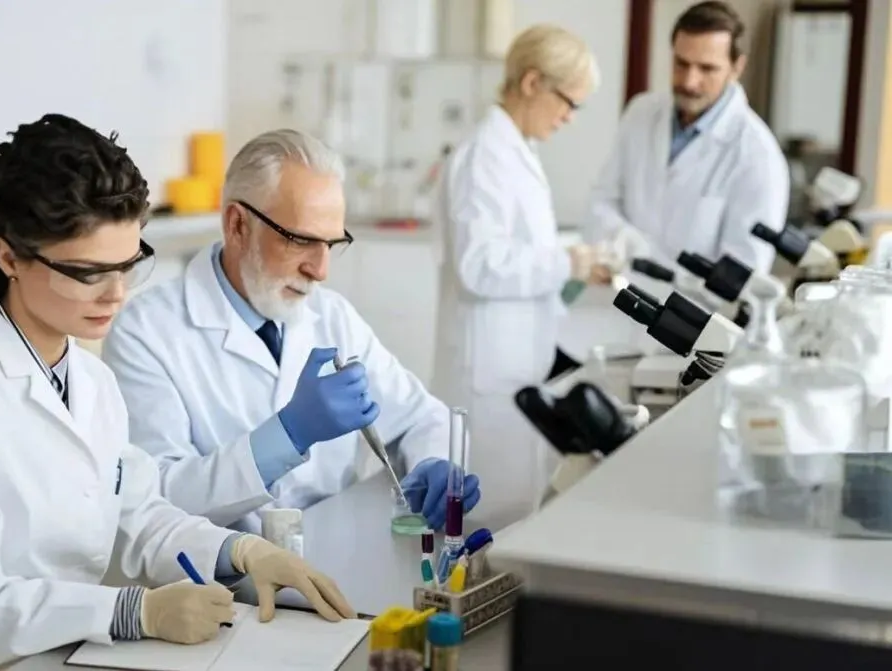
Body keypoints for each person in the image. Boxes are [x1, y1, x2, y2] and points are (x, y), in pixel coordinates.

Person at [0, 114, 354, 671]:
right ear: (9, 257)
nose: (116, 294)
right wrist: (134, 612)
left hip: (54, 653)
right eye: (89, 272)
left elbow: (137, 512)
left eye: (127, 266)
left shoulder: (88, 379)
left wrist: (238, 551)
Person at [101, 129, 481, 533]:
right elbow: (158, 498)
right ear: (237, 225)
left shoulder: (332, 316)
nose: (320, 270)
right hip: (221, 568)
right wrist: (287, 436)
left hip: (335, 550)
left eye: (331, 244)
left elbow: (420, 418)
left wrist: (434, 462)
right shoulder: (145, 331)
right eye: (301, 241)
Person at [431, 24, 606, 519]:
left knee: (512, 513)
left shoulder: (516, 151)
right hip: (486, 378)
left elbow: (518, 252)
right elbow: (480, 264)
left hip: (514, 369)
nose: (570, 117)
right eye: (569, 102)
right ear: (532, 83)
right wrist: (567, 262)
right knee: (483, 519)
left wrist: (572, 266)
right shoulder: (485, 156)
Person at [586, 0, 790, 273]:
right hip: (619, 288)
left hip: (690, 301)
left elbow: (743, 271)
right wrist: (630, 246)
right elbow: (602, 202)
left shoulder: (757, 155)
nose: (689, 82)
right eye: (681, 64)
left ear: (736, 67)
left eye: (707, 69)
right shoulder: (641, 112)